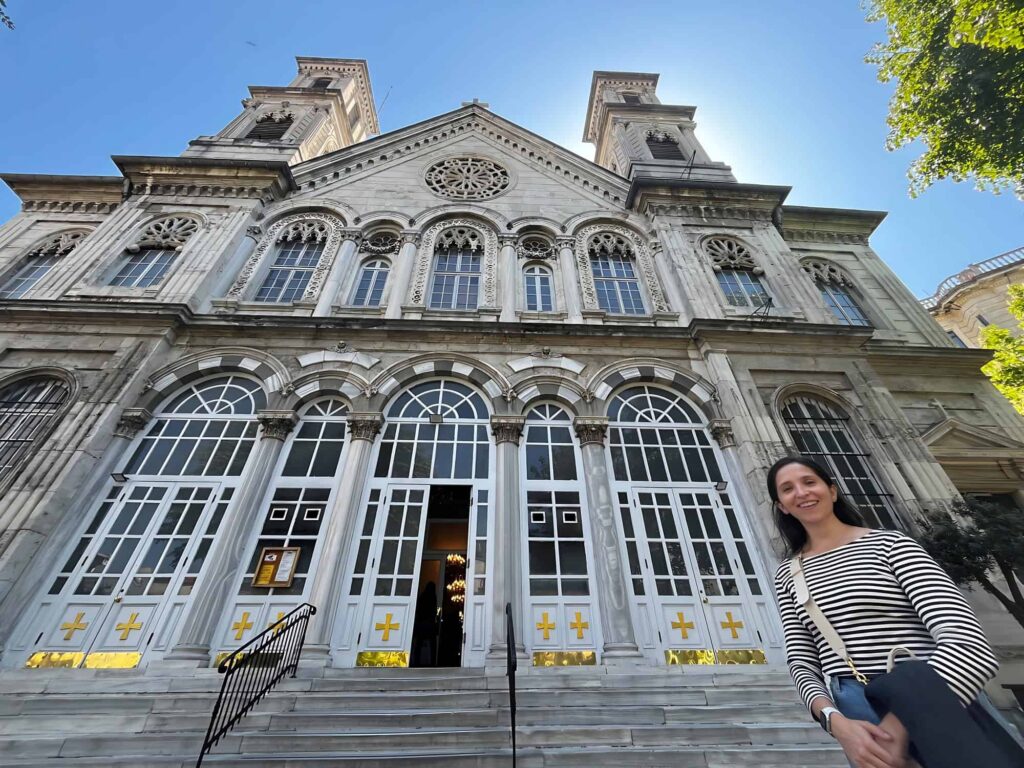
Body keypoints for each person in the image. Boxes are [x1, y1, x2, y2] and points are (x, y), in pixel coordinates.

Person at [769, 456, 1001, 768]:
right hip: (856, 711)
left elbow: (967, 642)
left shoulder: (892, 546)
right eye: (787, 489)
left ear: (832, 491)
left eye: (809, 482)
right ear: (782, 506)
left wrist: (903, 720)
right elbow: (802, 662)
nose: (801, 492)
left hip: (936, 691)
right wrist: (835, 722)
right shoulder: (787, 574)